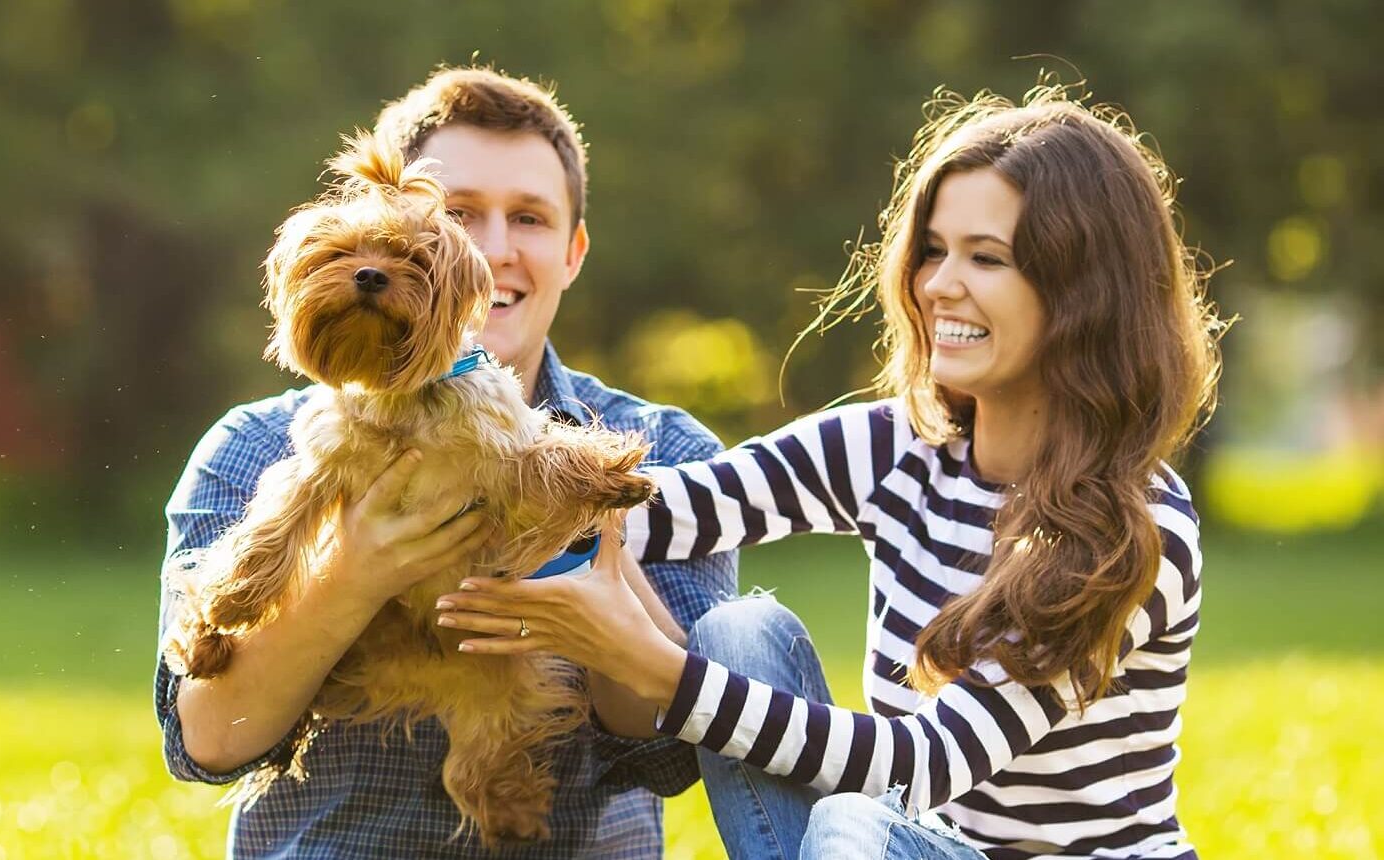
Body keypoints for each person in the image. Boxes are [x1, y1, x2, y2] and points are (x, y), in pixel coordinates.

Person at [438, 86, 1224, 859]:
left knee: (858, 825)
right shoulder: (897, 449)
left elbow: (922, 766)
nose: (939, 283)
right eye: (933, 250)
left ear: (1083, 293)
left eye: (986, 258)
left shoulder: (1134, 529)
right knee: (741, 634)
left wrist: (648, 665)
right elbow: (660, 508)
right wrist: (450, 451)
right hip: (913, 845)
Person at [154, 67, 738, 857]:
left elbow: (671, 751)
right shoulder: (253, 447)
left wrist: (570, 521)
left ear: (574, 251)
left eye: (528, 218)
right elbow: (207, 742)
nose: (492, 252)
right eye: (459, 215)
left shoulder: (667, 452)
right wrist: (354, 575)